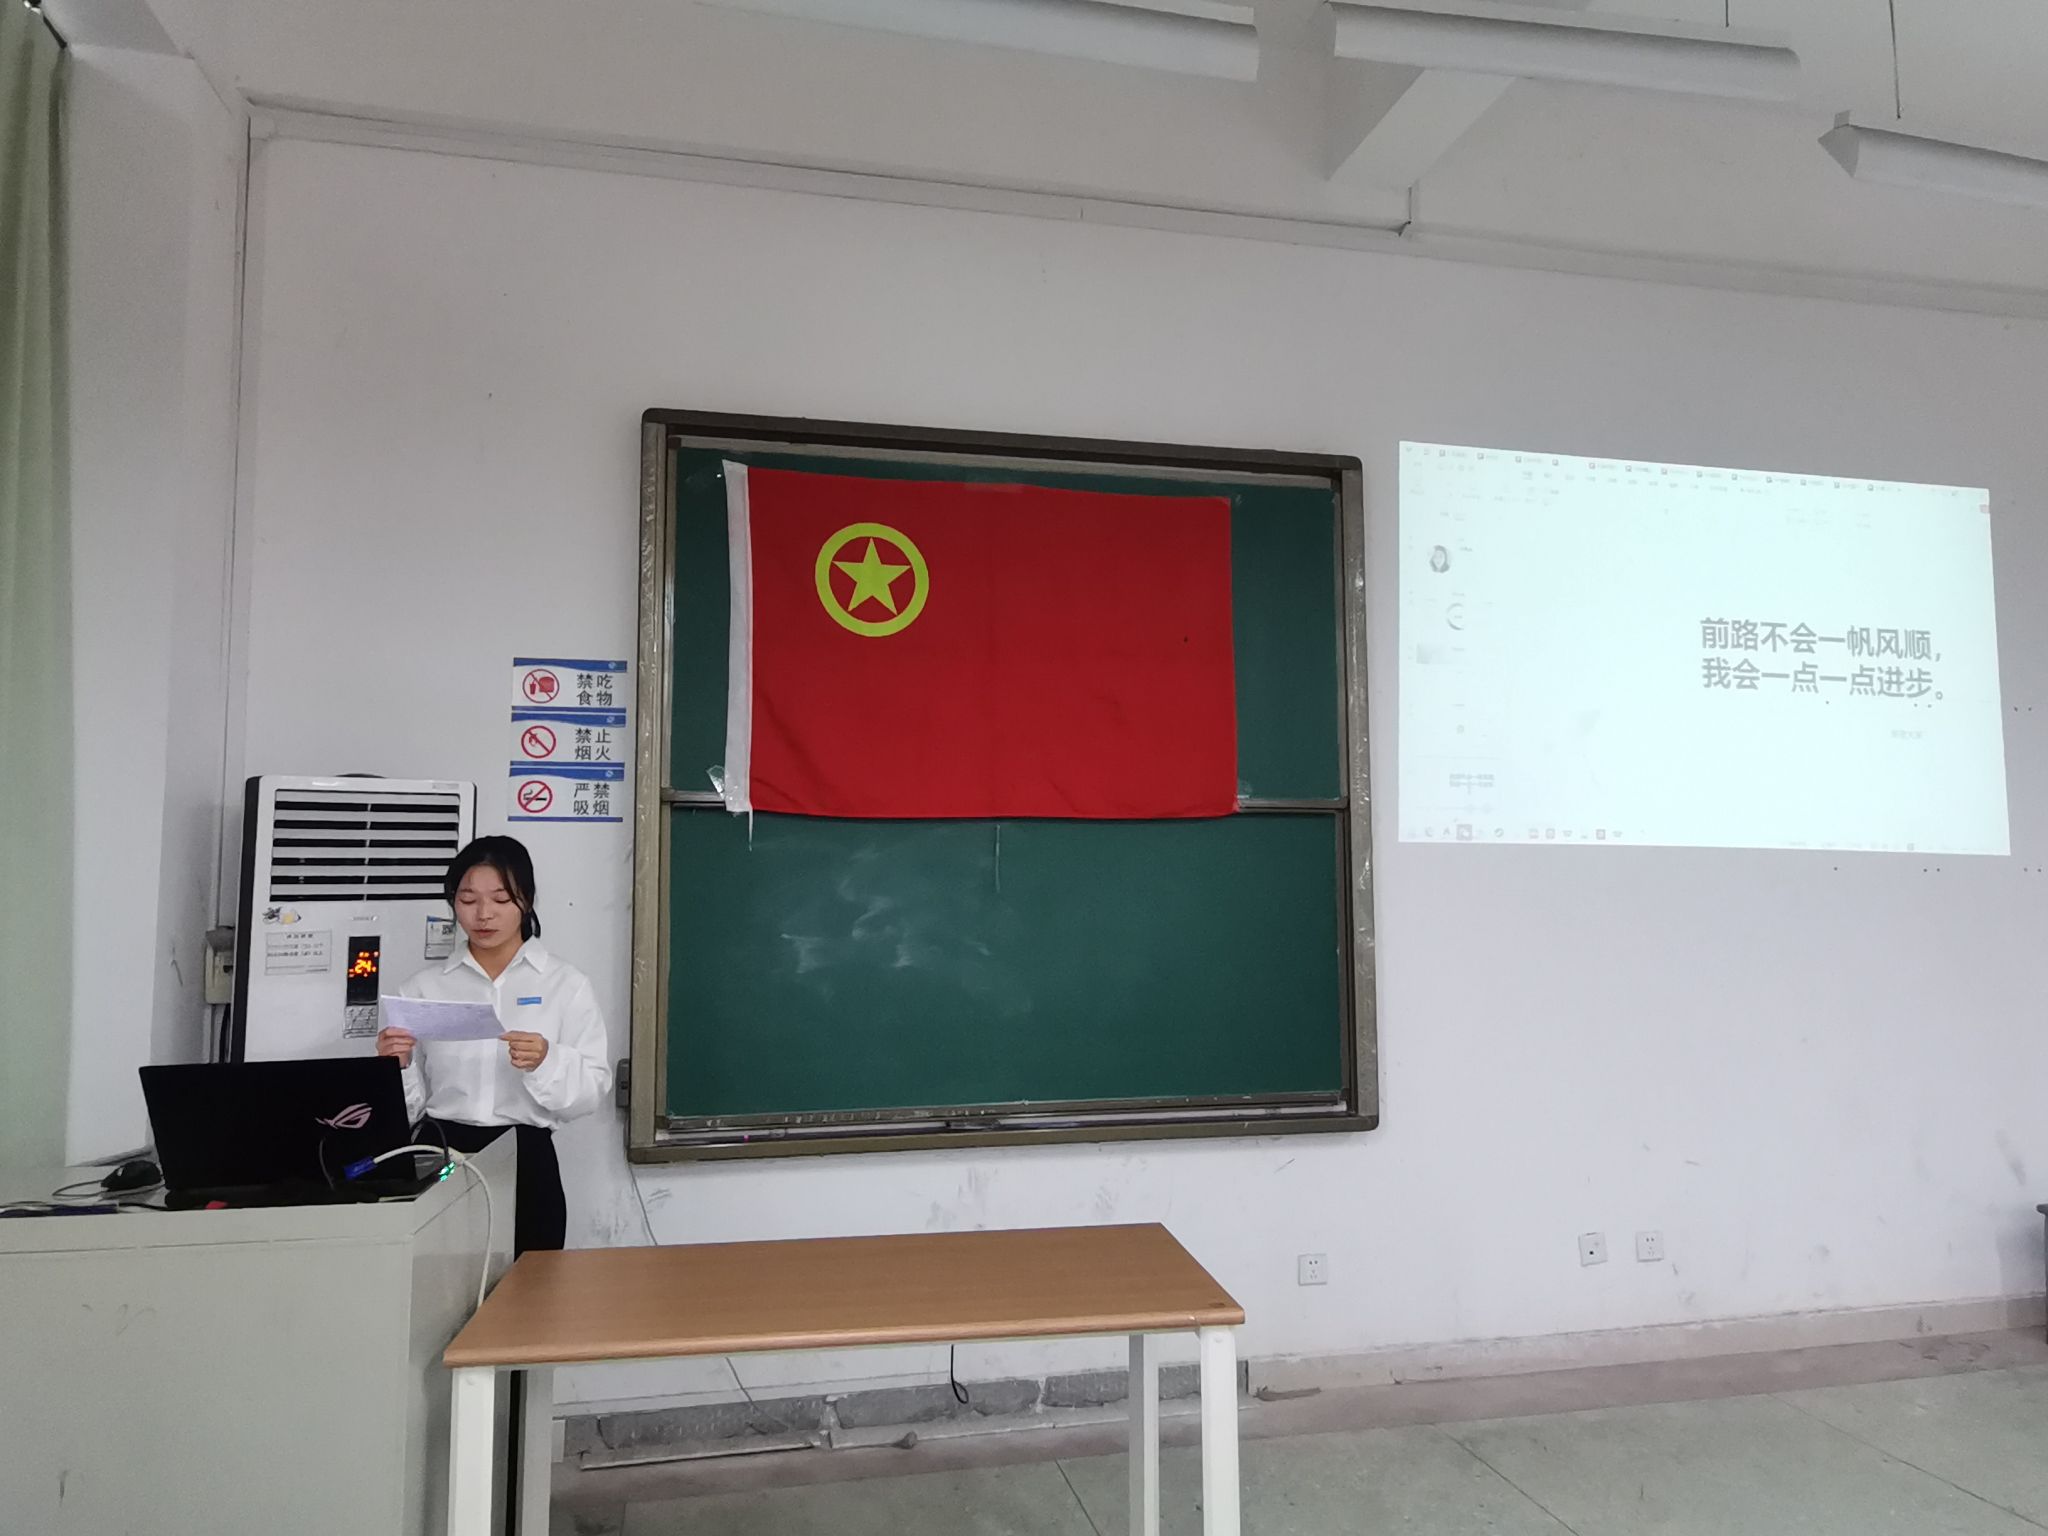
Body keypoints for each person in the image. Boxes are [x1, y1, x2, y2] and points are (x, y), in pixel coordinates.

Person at [376, 835, 611, 1253]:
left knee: (532, 1283)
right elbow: (406, 1112)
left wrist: (546, 1061)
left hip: (527, 1156)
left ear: (527, 900)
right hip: (442, 1154)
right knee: (439, 1276)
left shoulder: (564, 984)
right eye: (468, 900)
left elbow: (591, 1092)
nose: (483, 914)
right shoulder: (422, 989)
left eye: (501, 899)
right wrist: (397, 1066)